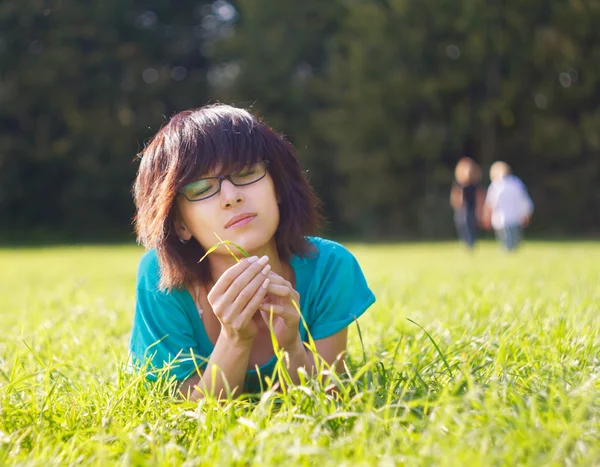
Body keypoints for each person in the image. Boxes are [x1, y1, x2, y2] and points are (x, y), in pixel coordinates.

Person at [129, 104, 376, 400]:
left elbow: (327, 398)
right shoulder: (159, 278)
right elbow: (188, 414)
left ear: (279, 187)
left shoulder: (330, 267)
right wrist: (235, 339)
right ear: (180, 223)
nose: (231, 196)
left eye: (246, 172)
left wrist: (291, 347)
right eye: (200, 188)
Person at [483, 161, 534, 251]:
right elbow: (525, 202)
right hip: (516, 218)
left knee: (505, 243)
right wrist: (526, 215)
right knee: (514, 242)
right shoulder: (517, 183)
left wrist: (487, 216)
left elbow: (490, 203)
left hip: (501, 219)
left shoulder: (496, 185)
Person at [450, 158, 485, 249]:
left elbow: (480, 196)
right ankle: (466, 243)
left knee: (471, 226)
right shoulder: (459, 185)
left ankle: (471, 243)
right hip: (462, 210)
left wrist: (480, 209)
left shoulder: (475, 184)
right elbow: (455, 198)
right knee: (462, 225)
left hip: (472, 209)